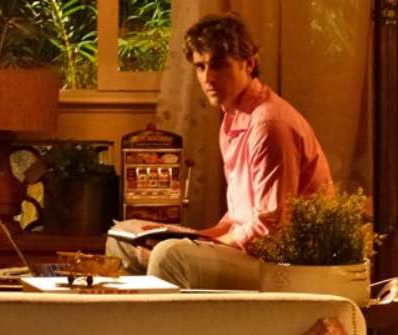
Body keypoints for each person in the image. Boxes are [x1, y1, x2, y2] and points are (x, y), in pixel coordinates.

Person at [107, 13, 332, 289]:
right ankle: (137, 315)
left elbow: (271, 229)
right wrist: (196, 236)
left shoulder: (269, 124)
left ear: (249, 64)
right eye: (200, 67)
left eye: (219, 65)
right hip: (252, 249)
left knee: (170, 256)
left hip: (283, 264)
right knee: (122, 236)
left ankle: (162, 318)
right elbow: (239, 216)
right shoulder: (233, 119)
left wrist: (200, 244)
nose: (208, 78)